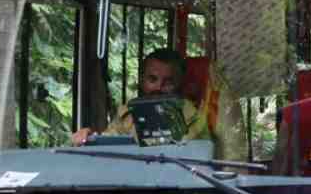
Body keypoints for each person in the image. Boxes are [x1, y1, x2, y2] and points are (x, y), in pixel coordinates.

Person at [71, 48, 209, 145]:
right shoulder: (127, 112)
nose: (158, 88)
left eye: (168, 82)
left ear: (179, 84)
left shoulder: (193, 117)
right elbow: (108, 142)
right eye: (152, 79)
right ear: (142, 80)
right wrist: (89, 136)